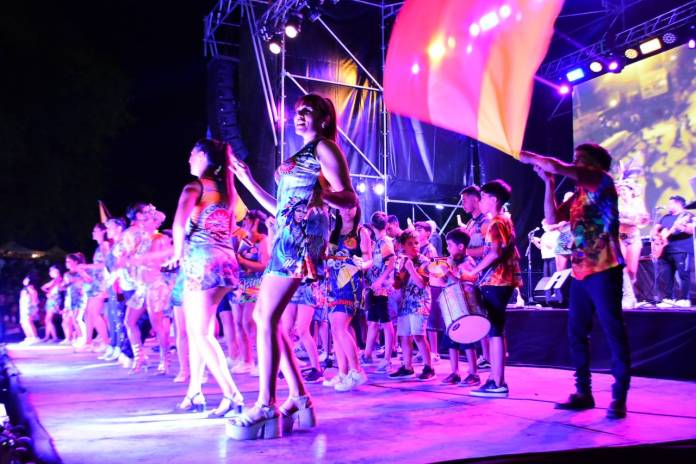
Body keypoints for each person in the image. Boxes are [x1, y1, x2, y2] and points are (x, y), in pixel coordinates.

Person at [228, 94, 357, 439]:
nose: (299, 115)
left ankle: (267, 405)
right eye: (297, 111)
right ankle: (300, 399)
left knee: (265, 318)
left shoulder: (324, 147)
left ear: (324, 118)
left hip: (300, 240)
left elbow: (349, 197)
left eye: (307, 111)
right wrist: (248, 181)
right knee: (267, 320)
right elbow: (281, 208)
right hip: (286, 236)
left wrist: (323, 196)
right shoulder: (304, 152)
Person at [520, 143, 631, 419]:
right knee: (576, 333)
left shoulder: (602, 180)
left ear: (595, 163)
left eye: (581, 159)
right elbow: (551, 219)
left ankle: (619, 397)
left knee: (613, 331)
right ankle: (583, 393)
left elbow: (556, 165)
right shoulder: (579, 195)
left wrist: (527, 156)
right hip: (581, 271)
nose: (576, 163)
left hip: (605, 267)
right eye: (574, 158)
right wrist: (549, 184)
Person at [163, 138, 245, 418]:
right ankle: (195, 391)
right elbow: (232, 229)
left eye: (191, 154)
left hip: (202, 262)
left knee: (199, 333)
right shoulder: (226, 191)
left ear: (202, 156)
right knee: (201, 331)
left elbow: (177, 224)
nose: (188, 159)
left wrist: (176, 254)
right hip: (226, 263)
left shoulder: (194, 187)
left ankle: (232, 395)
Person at [463, 180, 522, 398]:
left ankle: (498, 382)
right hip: (503, 280)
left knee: (495, 332)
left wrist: (474, 271)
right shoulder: (505, 220)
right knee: (496, 331)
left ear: (494, 200)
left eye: (484, 197)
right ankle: (495, 378)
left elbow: (494, 253)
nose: (480, 201)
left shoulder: (496, 222)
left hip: (497, 281)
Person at [322, 205, 371, 392]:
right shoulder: (334, 232)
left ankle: (357, 371)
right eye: (343, 207)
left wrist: (361, 264)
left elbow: (369, 259)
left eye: (351, 207)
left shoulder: (361, 232)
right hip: (333, 284)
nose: (347, 211)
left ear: (357, 209)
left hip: (350, 284)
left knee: (340, 327)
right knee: (336, 330)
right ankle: (343, 373)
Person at [388, 230, 436, 381]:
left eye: (416, 243)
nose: (415, 246)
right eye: (410, 244)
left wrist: (411, 269)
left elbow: (422, 284)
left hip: (420, 302)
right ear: (403, 246)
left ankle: (429, 367)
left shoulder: (424, 261)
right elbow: (397, 284)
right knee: (404, 336)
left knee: (418, 335)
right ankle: (407, 367)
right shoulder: (402, 261)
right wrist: (391, 282)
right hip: (405, 302)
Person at [228, 210, 269, 374]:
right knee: (238, 323)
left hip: (254, 284)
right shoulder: (241, 239)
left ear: (255, 221)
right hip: (238, 284)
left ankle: (261, 361)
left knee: (249, 322)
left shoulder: (262, 240)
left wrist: (242, 261)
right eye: (243, 220)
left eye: (247, 219)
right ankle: (246, 361)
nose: (243, 222)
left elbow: (264, 265)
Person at [439, 228, 480, 387]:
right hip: (452, 307)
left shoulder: (468, 262)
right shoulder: (451, 262)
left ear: (461, 246)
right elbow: (444, 282)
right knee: (452, 341)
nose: (447, 248)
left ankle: (474, 374)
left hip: (465, 307)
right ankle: (454, 372)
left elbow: (465, 283)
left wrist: (449, 273)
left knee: (467, 340)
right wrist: (440, 275)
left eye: (450, 245)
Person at [459, 185, 492, 370]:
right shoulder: (470, 224)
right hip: (472, 278)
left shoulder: (487, 222)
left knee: (487, 318)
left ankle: (490, 357)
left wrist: (465, 252)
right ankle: (485, 355)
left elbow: (490, 250)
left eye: (465, 200)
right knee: (478, 317)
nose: (462, 204)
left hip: (486, 277)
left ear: (475, 199)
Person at [361, 211, 396, 373]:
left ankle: (387, 359)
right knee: (373, 321)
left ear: (371, 225)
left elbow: (391, 263)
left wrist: (381, 280)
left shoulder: (385, 242)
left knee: (386, 323)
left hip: (382, 289)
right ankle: (367, 354)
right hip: (374, 288)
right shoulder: (378, 243)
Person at [653, 195, 694, 308]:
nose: (668, 205)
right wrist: (657, 236)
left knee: (683, 275)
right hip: (665, 251)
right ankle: (668, 298)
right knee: (666, 275)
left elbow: (692, 230)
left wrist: (681, 228)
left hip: (682, 250)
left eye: (671, 203)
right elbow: (655, 230)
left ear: (678, 204)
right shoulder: (665, 217)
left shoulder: (687, 215)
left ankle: (684, 299)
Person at [616, 181, 649, 308]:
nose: (622, 192)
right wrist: (629, 220)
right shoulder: (616, 202)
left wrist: (624, 220)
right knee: (621, 267)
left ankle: (632, 297)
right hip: (620, 236)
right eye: (620, 190)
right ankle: (626, 296)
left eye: (624, 189)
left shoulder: (638, 202)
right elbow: (613, 218)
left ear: (631, 191)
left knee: (631, 270)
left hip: (634, 236)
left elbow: (640, 221)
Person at [81, 223, 111, 352]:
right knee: (88, 313)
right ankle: (88, 341)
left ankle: (106, 342)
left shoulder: (105, 245)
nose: (93, 233)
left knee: (94, 313)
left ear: (103, 232)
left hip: (101, 284)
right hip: (95, 283)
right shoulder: (99, 247)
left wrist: (86, 266)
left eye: (95, 231)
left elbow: (106, 264)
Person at [41, 265, 63, 342]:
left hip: (55, 300)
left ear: (57, 271)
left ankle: (54, 337)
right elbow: (43, 287)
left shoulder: (60, 279)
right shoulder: (54, 280)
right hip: (51, 300)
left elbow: (61, 289)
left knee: (48, 319)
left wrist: (51, 294)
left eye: (51, 271)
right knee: (47, 319)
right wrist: (48, 293)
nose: (50, 273)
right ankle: (48, 336)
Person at [18, 276, 40, 344]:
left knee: (28, 321)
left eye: (26, 279)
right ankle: (29, 337)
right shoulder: (24, 289)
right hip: (23, 307)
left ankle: (35, 337)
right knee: (23, 322)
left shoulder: (31, 289)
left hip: (29, 307)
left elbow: (35, 300)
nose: (24, 280)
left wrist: (34, 308)